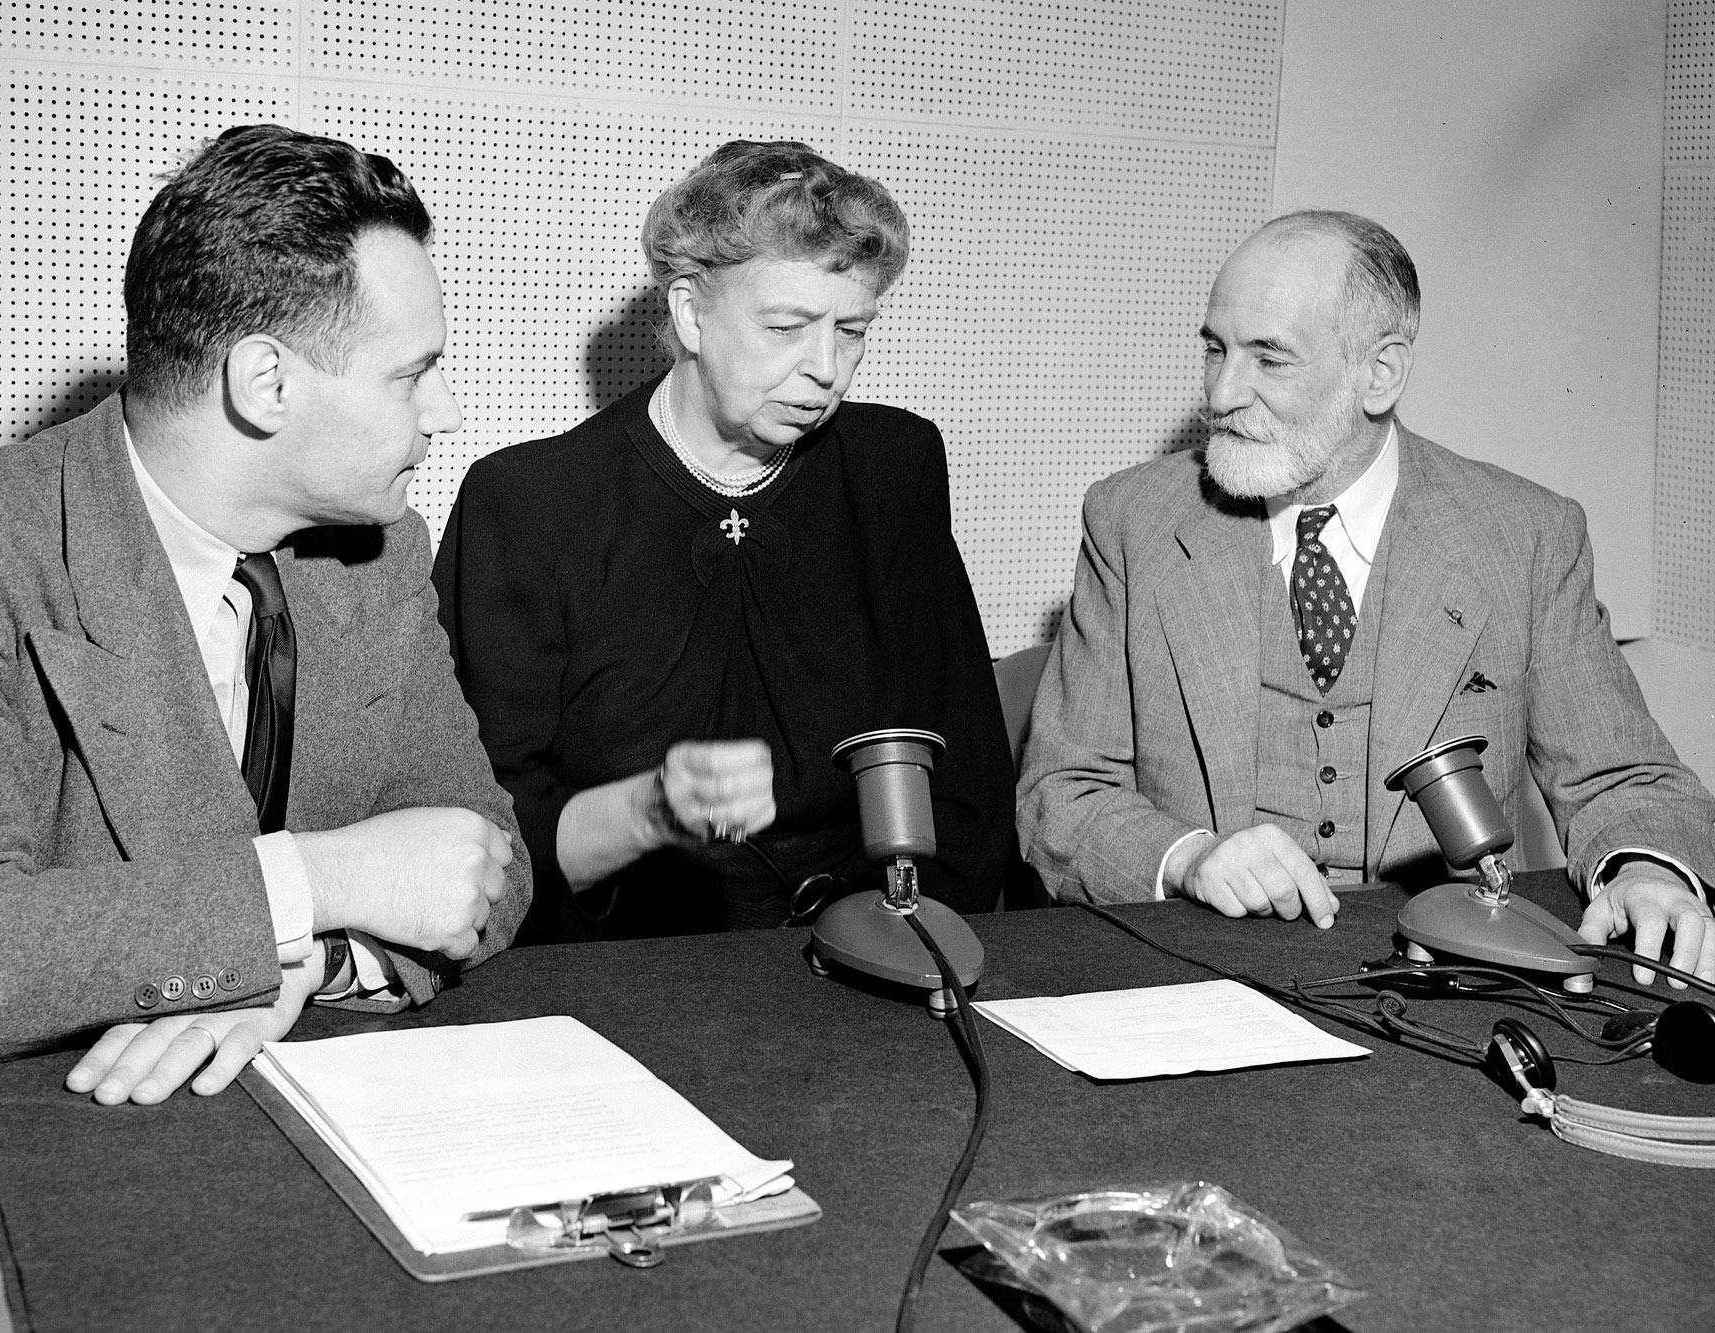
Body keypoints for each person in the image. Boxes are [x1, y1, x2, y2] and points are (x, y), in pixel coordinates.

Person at [0, 124, 529, 1326]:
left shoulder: (375, 548)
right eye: (412, 373)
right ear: (266, 383)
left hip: (252, 1110)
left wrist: (292, 959)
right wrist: (320, 881)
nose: (445, 410)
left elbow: (477, 862)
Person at [1018, 209, 1715, 986]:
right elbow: (1059, 795)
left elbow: (1627, 779)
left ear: (1379, 374)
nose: (1220, 392)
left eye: (1268, 359)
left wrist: (1650, 872)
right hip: (1206, 976)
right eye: (1214, 349)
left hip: (1451, 986)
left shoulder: (1525, 535)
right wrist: (1187, 859)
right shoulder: (1133, 522)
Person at [433, 140, 1014, 942]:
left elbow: (966, 770)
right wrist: (648, 811)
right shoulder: (529, 504)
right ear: (688, 313)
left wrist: (932, 951)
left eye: (852, 330)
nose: (826, 370)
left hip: (883, 947)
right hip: (620, 966)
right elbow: (488, 831)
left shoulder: (895, 466)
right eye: (786, 326)